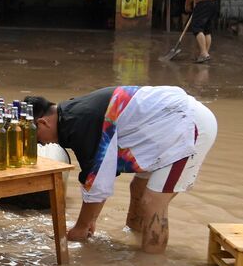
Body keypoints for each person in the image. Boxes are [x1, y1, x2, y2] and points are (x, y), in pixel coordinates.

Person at [25, 86, 217, 254]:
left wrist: (81, 227)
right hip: (162, 128)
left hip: (188, 125)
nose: (42, 144)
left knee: (153, 202)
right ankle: (135, 241)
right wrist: (91, 219)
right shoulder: (72, 115)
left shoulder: (79, 123)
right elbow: (101, 172)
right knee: (138, 189)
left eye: (36, 139)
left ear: (43, 123)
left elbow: (97, 180)